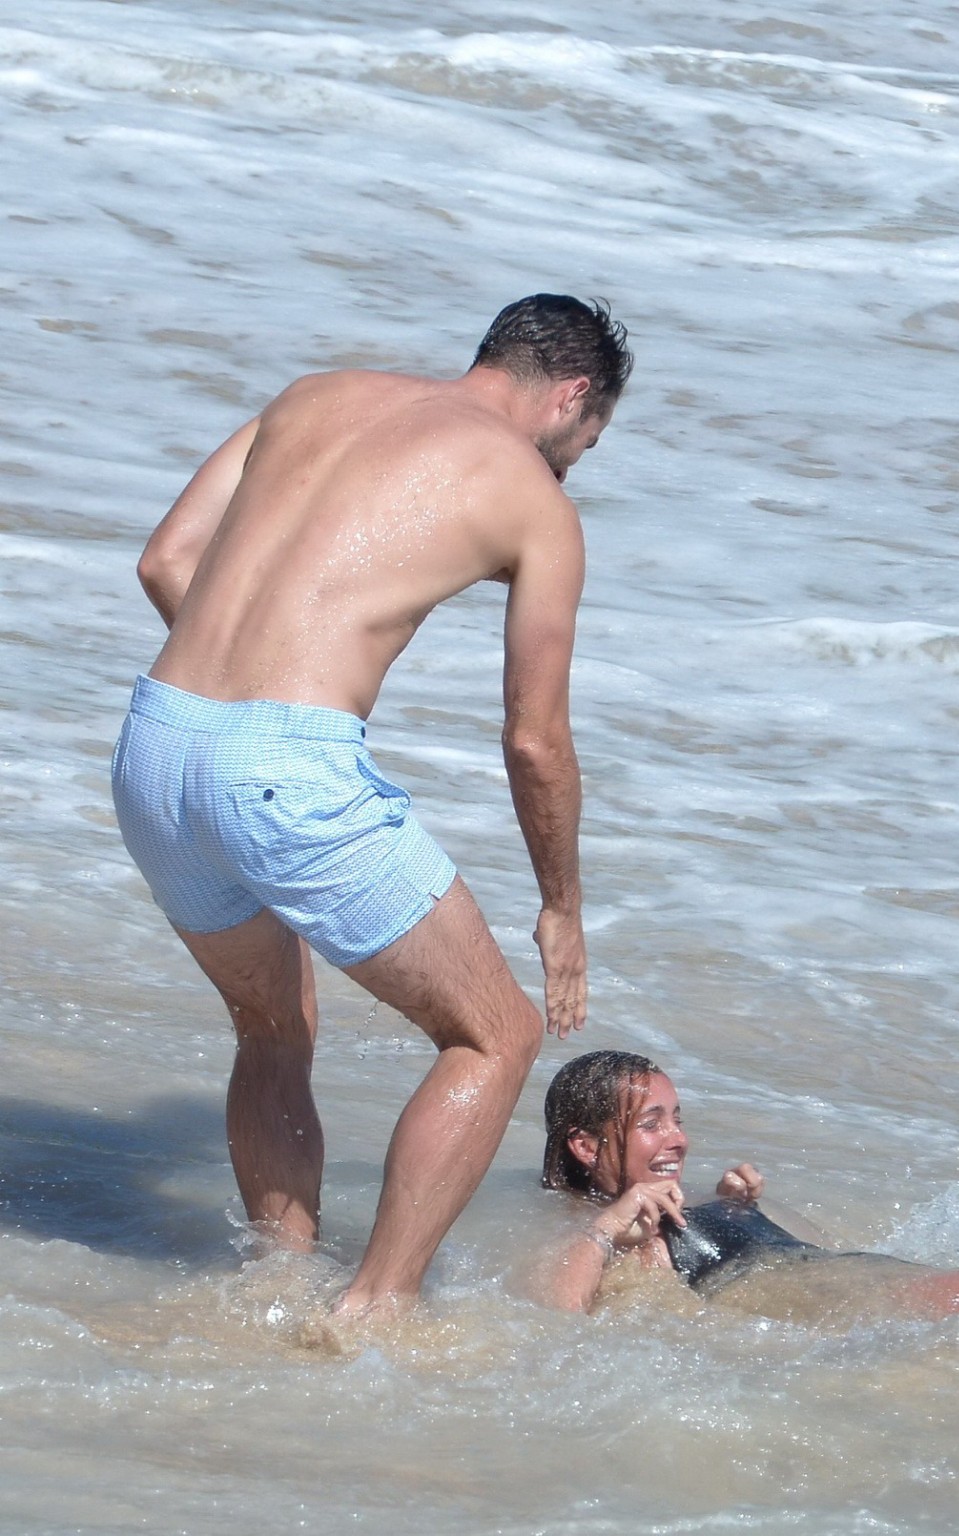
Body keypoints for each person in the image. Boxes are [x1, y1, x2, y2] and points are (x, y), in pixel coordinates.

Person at [111, 295, 633, 1316]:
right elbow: (535, 738)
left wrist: (246, 709)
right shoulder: (531, 497)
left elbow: (164, 560)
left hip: (157, 740)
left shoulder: (315, 395)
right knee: (498, 1035)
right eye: (588, 439)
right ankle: (375, 1308)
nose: (575, 462)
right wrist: (560, 906)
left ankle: (274, 1286)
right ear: (572, 394)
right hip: (282, 767)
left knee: (272, 1026)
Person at [536, 1051, 959, 1334]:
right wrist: (612, 1227)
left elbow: (826, 1251)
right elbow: (550, 1320)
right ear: (586, 1146)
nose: (677, 1138)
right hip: (879, 1309)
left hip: (904, 1282)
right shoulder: (595, 1230)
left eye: (678, 1118)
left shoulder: (682, 1207)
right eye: (652, 1124)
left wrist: (745, 1210)